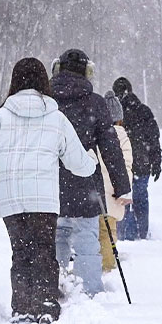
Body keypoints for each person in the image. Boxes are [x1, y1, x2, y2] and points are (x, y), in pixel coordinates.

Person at [0, 57, 96, 324]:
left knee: (20, 252)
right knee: (44, 251)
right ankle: (45, 305)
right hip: (43, 200)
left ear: (15, 81)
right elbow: (79, 164)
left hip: (11, 199)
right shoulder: (56, 118)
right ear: (44, 81)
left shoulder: (1, 118)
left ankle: (22, 307)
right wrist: (92, 161)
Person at [50, 49, 132, 296]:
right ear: (87, 72)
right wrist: (122, 186)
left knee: (58, 234)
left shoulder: (47, 101)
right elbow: (110, 147)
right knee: (87, 236)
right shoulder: (95, 102)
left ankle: (57, 283)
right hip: (86, 184)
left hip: (51, 182)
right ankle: (90, 291)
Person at [112, 76, 162, 240]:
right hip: (143, 163)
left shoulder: (115, 114)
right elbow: (154, 139)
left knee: (123, 199)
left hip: (122, 164)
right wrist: (156, 161)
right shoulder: (144, 110)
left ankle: (125, 235)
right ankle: (142, 232)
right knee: (141, 198)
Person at [98, 91, 133, 273]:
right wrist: (126, 190)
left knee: (93, 233)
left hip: (96, 191)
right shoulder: (123, 137)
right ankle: (108, 265)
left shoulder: (96, 133)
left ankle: (93, 264)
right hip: (114, 191)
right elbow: (127, 165)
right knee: (108, 232)